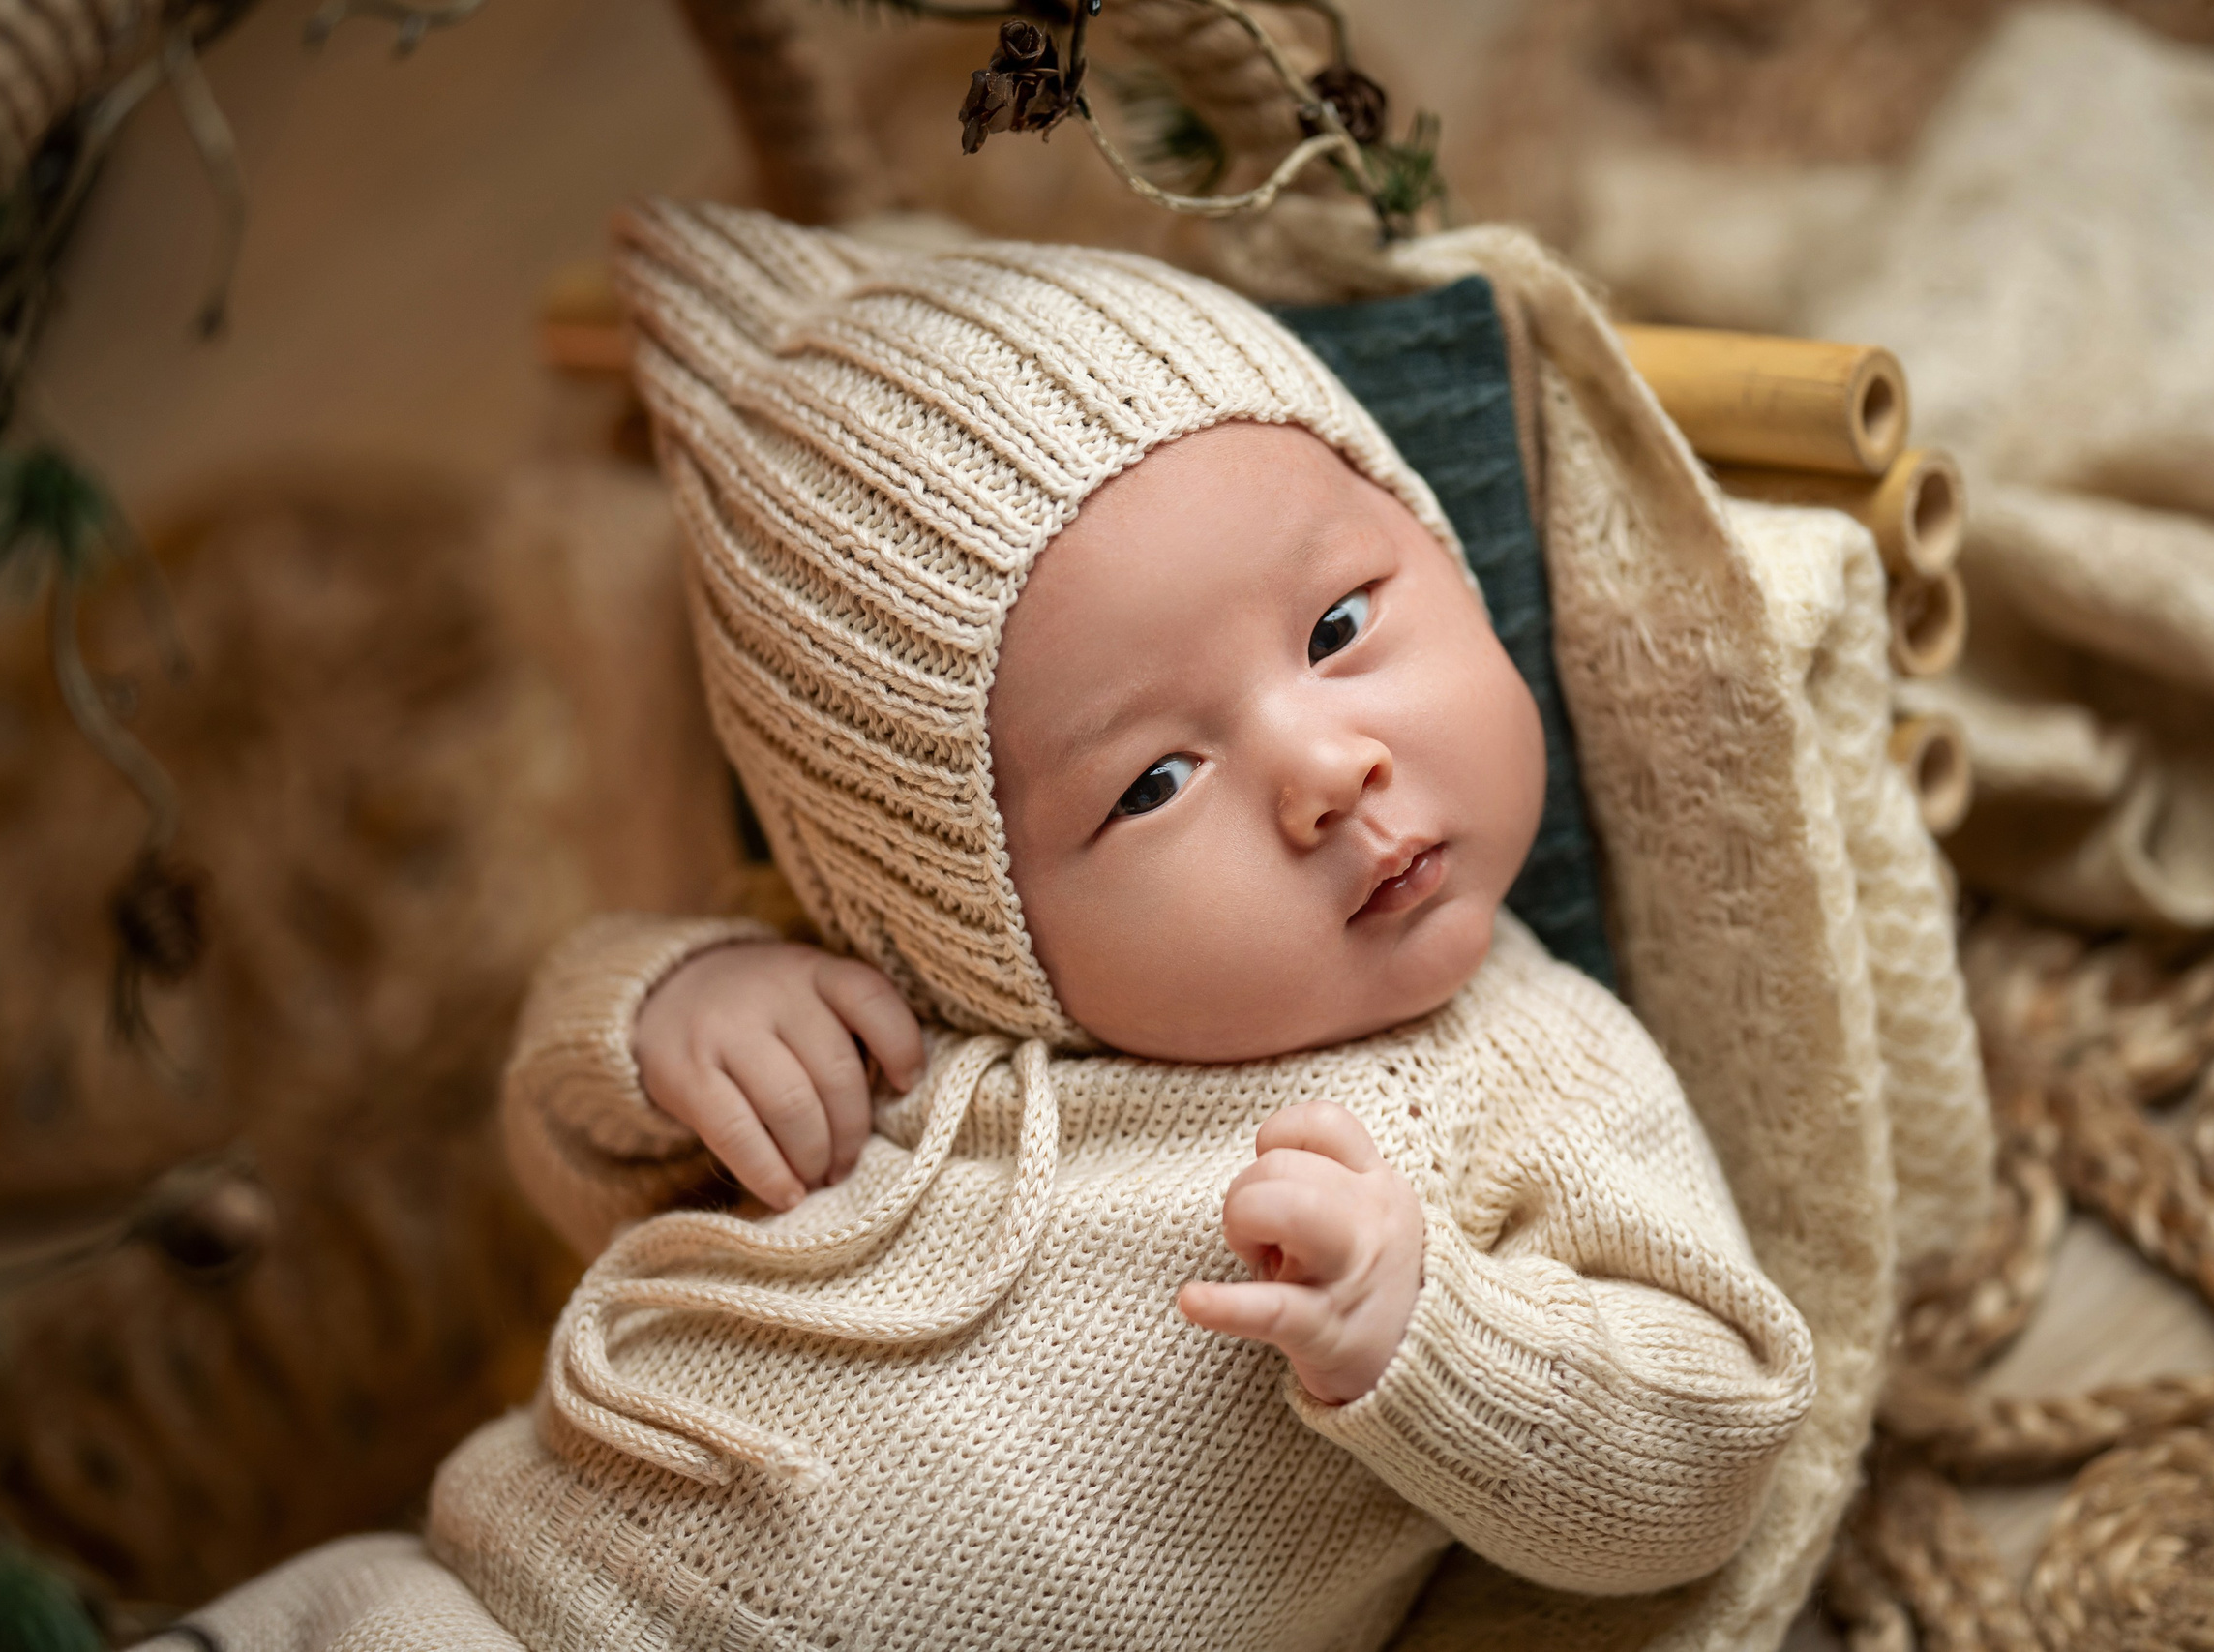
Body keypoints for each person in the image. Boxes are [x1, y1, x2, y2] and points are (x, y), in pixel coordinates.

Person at [421, 203, 1815, 1651]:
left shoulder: (1532, 1069)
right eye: (1154, 783)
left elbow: (1714, 1459)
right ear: (968, 914)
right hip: (512, 1595)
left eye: (1339, 629)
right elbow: (586, 1175)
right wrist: (665, 1010)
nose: (1327, 773)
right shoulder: (879, 1006)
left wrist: (1432, 1338)